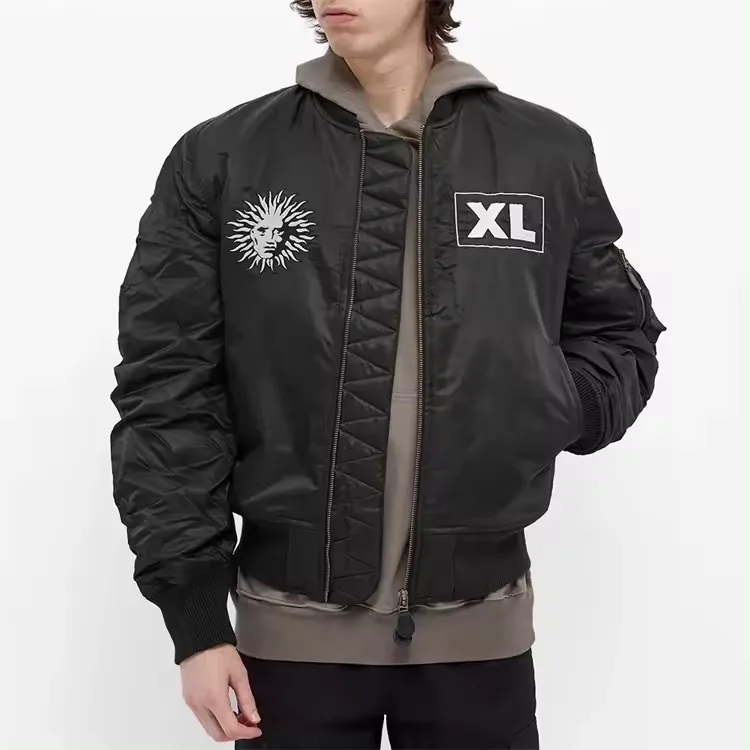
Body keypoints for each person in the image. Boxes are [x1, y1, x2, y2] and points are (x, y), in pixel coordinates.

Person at [109, 0, 666, 747]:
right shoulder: (226, 156)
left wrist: (547, 404)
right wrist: (197, 622)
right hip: (288, 637)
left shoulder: (542, 153)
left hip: (480, 635)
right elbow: (168, 388)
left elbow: (619, 332)